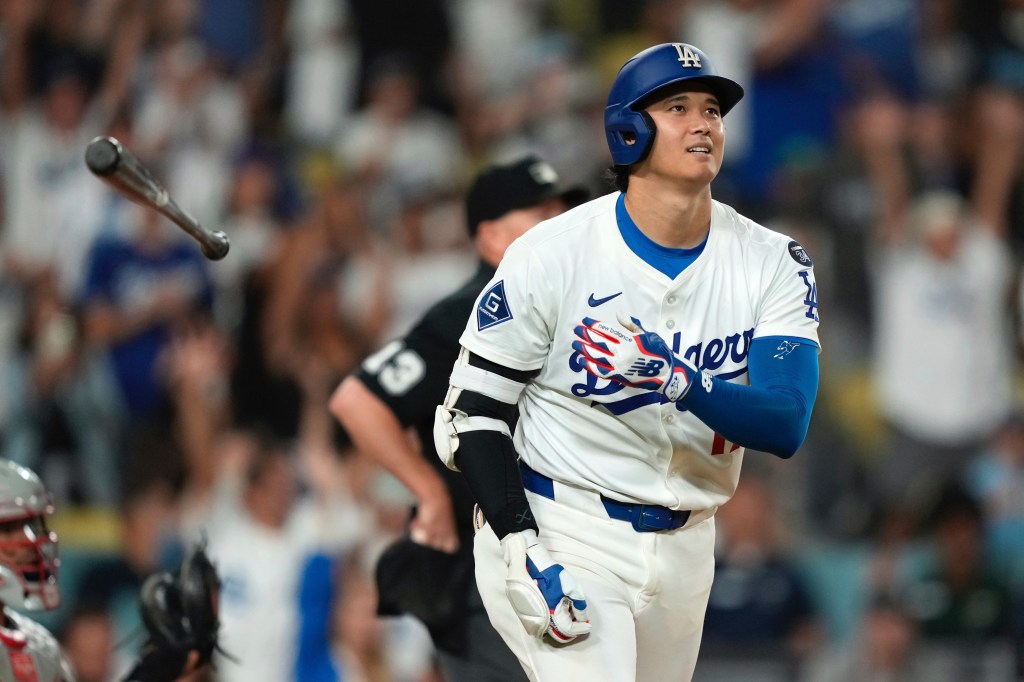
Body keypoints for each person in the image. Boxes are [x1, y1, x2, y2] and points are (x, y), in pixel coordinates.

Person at [433, 43, 820, 681]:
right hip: (567, 525)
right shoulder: (551, 254)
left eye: (712, 110)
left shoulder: (772, 260)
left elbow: (785, 422)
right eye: (678, 107)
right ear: (629, 131)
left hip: (689, 541)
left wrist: (676, 380)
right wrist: (519, 542)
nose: (704, 123)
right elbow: (473, 414)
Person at [330, 154, 587, 681]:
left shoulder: (568, 307)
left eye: (563, 214)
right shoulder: (470, 311)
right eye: (542, 216)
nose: (560, 228)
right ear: (491, 237)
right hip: (490, 570)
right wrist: (427, 491)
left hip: (562, 557)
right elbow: (357, 400)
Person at [0, 457, 221, 682]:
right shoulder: (102, 580)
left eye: (28, 526)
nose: (26, 543)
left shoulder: (39, 648)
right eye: (8, 529)